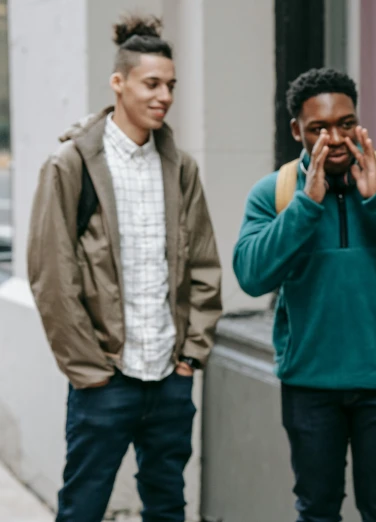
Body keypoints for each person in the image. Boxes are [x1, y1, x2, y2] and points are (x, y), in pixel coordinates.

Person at [233, 67, 376, 521]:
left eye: (345, 123)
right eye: (319, 128)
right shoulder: (275, 192)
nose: (335, 138)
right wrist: (305, 204)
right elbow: (252, 275)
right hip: (309, 384)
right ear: (297, 130)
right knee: (316, 508)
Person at [27, 15, 222, 522]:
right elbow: (52, 277)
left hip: (169, 377)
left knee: (168, 506)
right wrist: (90, 370)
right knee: (83, 507)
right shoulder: (71, 165)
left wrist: (190, 358)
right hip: (105, 380)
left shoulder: (181, 169)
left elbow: (204, 264)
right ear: (119, 82)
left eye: (171, 86)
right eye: (151, 83)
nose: (164, 96)